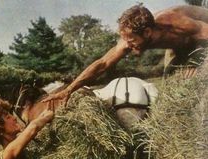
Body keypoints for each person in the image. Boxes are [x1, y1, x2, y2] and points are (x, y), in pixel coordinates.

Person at [43, 4, 208, 106]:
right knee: (171, 90)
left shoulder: (172, 22)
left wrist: (195, 63)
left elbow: (204, 33)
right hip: (176, 48)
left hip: (201, 38)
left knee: (195, 75)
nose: (127, 45)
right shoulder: (129, 39)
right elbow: (102, 64)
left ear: (147, 32)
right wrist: (70, 89)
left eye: (131, 40)